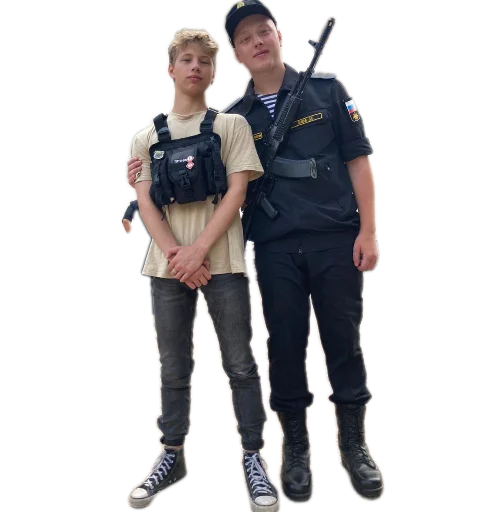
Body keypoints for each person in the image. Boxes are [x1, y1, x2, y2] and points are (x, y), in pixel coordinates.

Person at [127, 0, 383, 503]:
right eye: (244, 39)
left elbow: (358, 161)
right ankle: (295, 450)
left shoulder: (327, 91)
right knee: (283, 346)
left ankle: (355, 447)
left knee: (343, 344)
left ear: (278, 35)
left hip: (335, 238)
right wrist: (140, 190)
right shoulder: (235, 117)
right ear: (238, 55)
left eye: (263, 31)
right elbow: (203, 180)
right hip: (274, 246)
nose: (256, 42)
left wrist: (369, 231)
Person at [126, 26, 280, 512]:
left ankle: (253, 456)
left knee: (240, 363)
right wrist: (179, 254)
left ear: (214, 73)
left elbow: (237, 191)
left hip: (224, 262)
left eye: (205, 61)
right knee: (174, 366)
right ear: (171, 69)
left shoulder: (230, 126)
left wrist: (198, 252)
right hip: (167, 266)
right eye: (187, 60)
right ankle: (172, 455)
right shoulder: (145, 136)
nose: (196, 67)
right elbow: (145, 202)